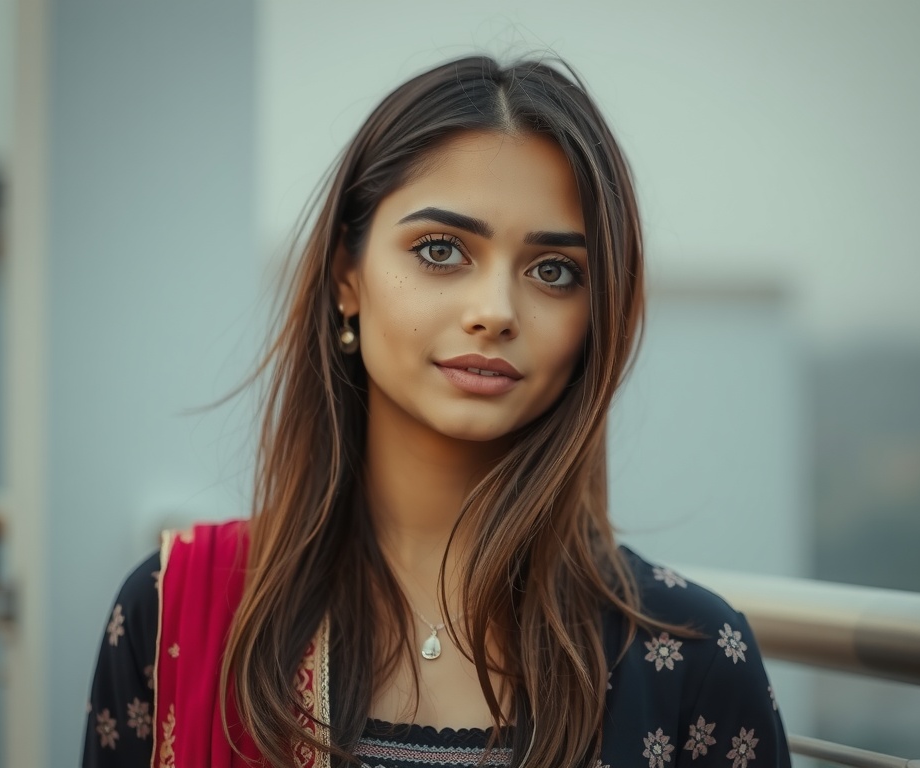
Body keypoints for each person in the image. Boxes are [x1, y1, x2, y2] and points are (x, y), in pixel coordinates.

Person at [82, 54, 791, 768]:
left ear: (596, 315)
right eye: (441, 250)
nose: (495, 312)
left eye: (554, 270)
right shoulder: (173, 615)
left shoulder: (690, 660)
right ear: (346, 279)